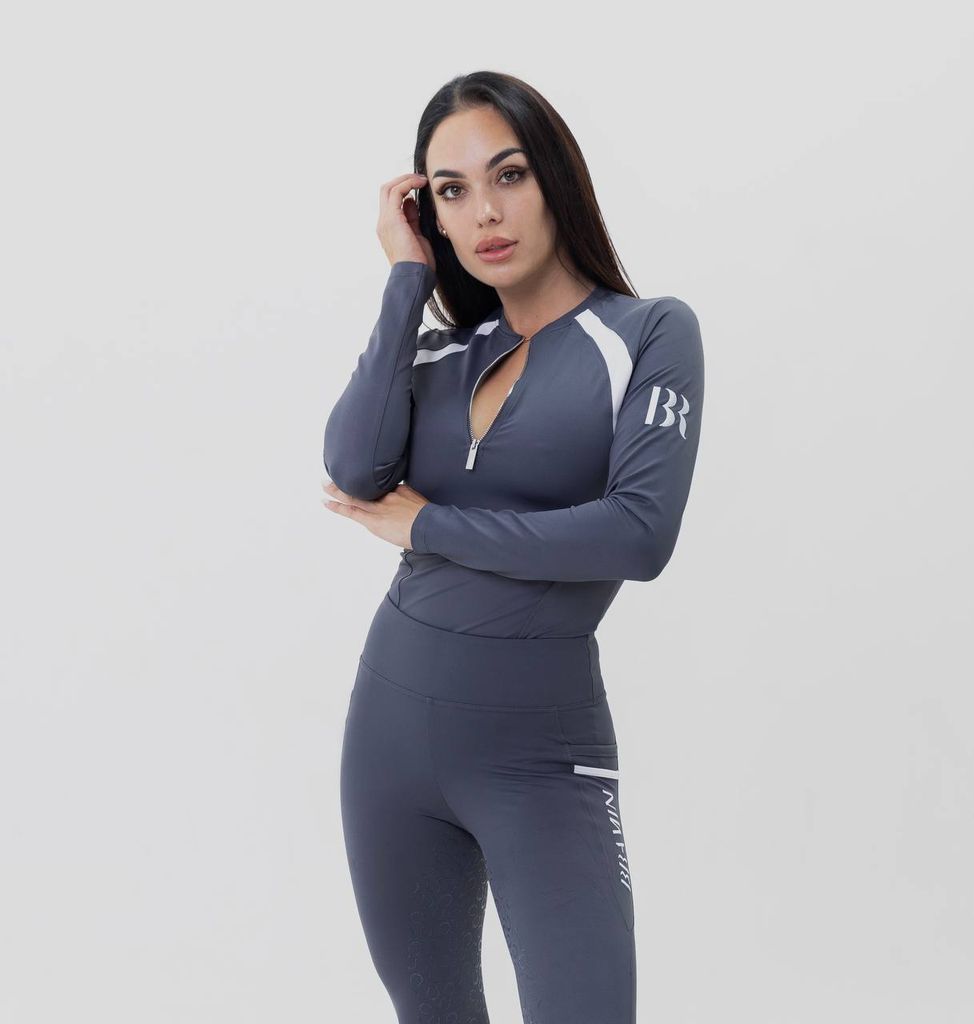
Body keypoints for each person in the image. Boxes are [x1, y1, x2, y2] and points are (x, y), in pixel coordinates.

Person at [321, 70, 705, 1024]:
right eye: (452, 191)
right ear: (432, 215)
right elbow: (354, 468)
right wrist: (405, 279)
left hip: (541, 757)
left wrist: (431, 527)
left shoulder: (648, 334)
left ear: (556, 178)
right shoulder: (440, 352)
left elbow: (638, 534)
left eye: (509, 174)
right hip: (389, 740)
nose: (485, 213)